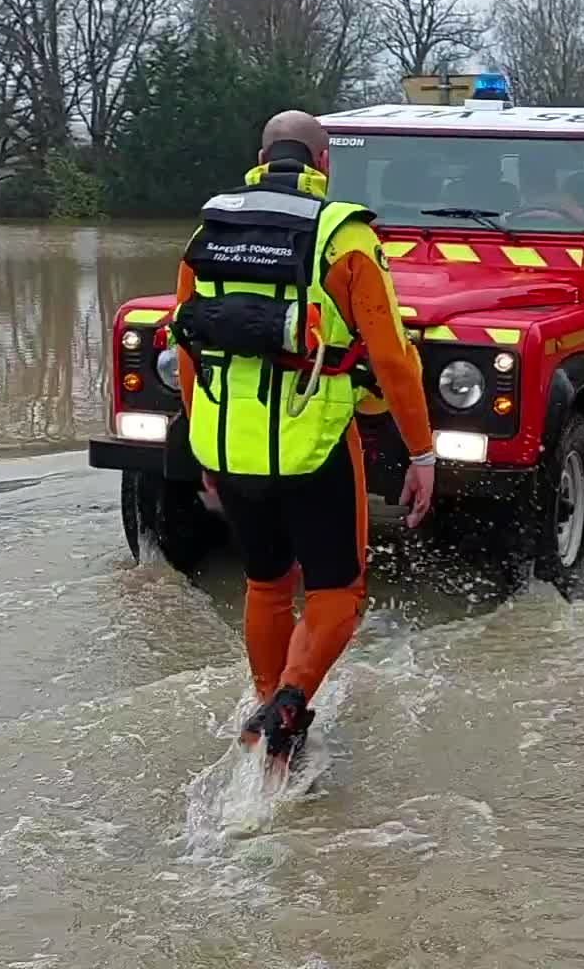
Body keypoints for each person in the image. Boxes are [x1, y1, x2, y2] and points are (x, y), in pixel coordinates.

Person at [170, 110, 436, 763]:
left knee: (266, 583)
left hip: (229, 445)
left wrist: (206, 442)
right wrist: (422, 451)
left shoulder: (211, 234)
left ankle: (267, 722)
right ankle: (289, 703)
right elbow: (393, 357)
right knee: (336, 589)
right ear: (323, 165)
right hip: (316, 446)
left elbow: (186, 345)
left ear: (260, 156)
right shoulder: (343, 238)